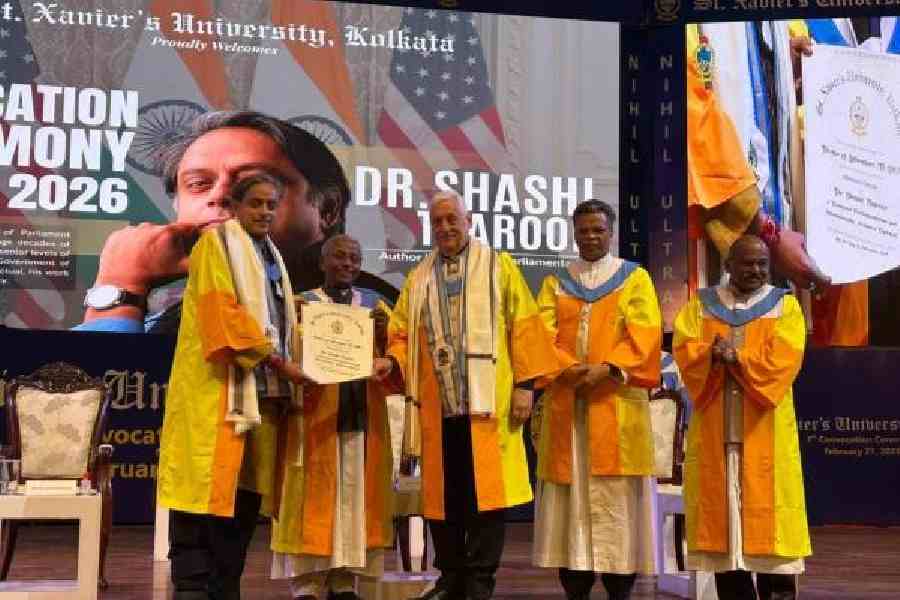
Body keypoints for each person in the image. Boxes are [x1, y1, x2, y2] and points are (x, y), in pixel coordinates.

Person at [373, 191, 556, 600]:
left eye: (451, 219)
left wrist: (527, 385)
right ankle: (450, 577)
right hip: (438, 409)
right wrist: (392, 361)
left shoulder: (497, 266)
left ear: (468, 219)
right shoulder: (418, 277)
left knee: (489, 500)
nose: (444, 228)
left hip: (488, 409)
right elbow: (402, 333)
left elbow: (524, 326)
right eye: (437, 222)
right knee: (445, 501)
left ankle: (479, 580)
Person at [76, 110, 394, 333]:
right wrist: (123, 292)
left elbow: (111, 414)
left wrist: (120, 290)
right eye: (199, 184)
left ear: (327, 209)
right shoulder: (165, 322)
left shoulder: (367, 311)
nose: (221, 195)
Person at [157, 173, 307, 600]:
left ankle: (226, 586)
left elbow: (276, 317)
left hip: (259, 398)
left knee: (240, 500)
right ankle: (191, 587)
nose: (264, 212)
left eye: (270, 204)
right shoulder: (216, 245)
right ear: (235, 207)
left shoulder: (270, 256)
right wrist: (281, 363)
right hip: (217, 393)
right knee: (200, 494)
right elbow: (223, 317)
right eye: (256, 203)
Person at [531, 200, 662, 600]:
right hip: (568, 410)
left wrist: (606, 369)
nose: (590, 237)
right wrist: (569, 369)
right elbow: (540, 335)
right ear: (574, 233)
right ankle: (576, 588)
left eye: (598, 230)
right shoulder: (556, 281)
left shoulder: (633, 279)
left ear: (611, 233)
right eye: (583, 230)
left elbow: (644, 334)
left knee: (617, 510)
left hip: (616, 409)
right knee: (569, 510)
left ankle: (620, 590)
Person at [673, 235, 810, 600]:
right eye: (747, 263)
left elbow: (785, 359)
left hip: (764, 436)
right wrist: (710, 356)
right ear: (728, 265)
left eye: (762, 263)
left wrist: (738, 358)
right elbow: (685, 351)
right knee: (727, 543)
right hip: (717, 438)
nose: (756, 270)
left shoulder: (785, 307)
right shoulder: (701, 307)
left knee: (773, 543)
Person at [270, 234, 394, 600]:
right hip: (314, 418)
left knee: (355, 497)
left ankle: (343, 579)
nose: (348, 264)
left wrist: (386, 341)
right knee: (313, 499)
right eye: (339, 257)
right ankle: (307, 582)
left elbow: (399, 351)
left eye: (355, 258)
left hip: (362, 415)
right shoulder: (301, 305)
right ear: (323, 262)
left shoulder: (376, 306)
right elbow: (285, 352)